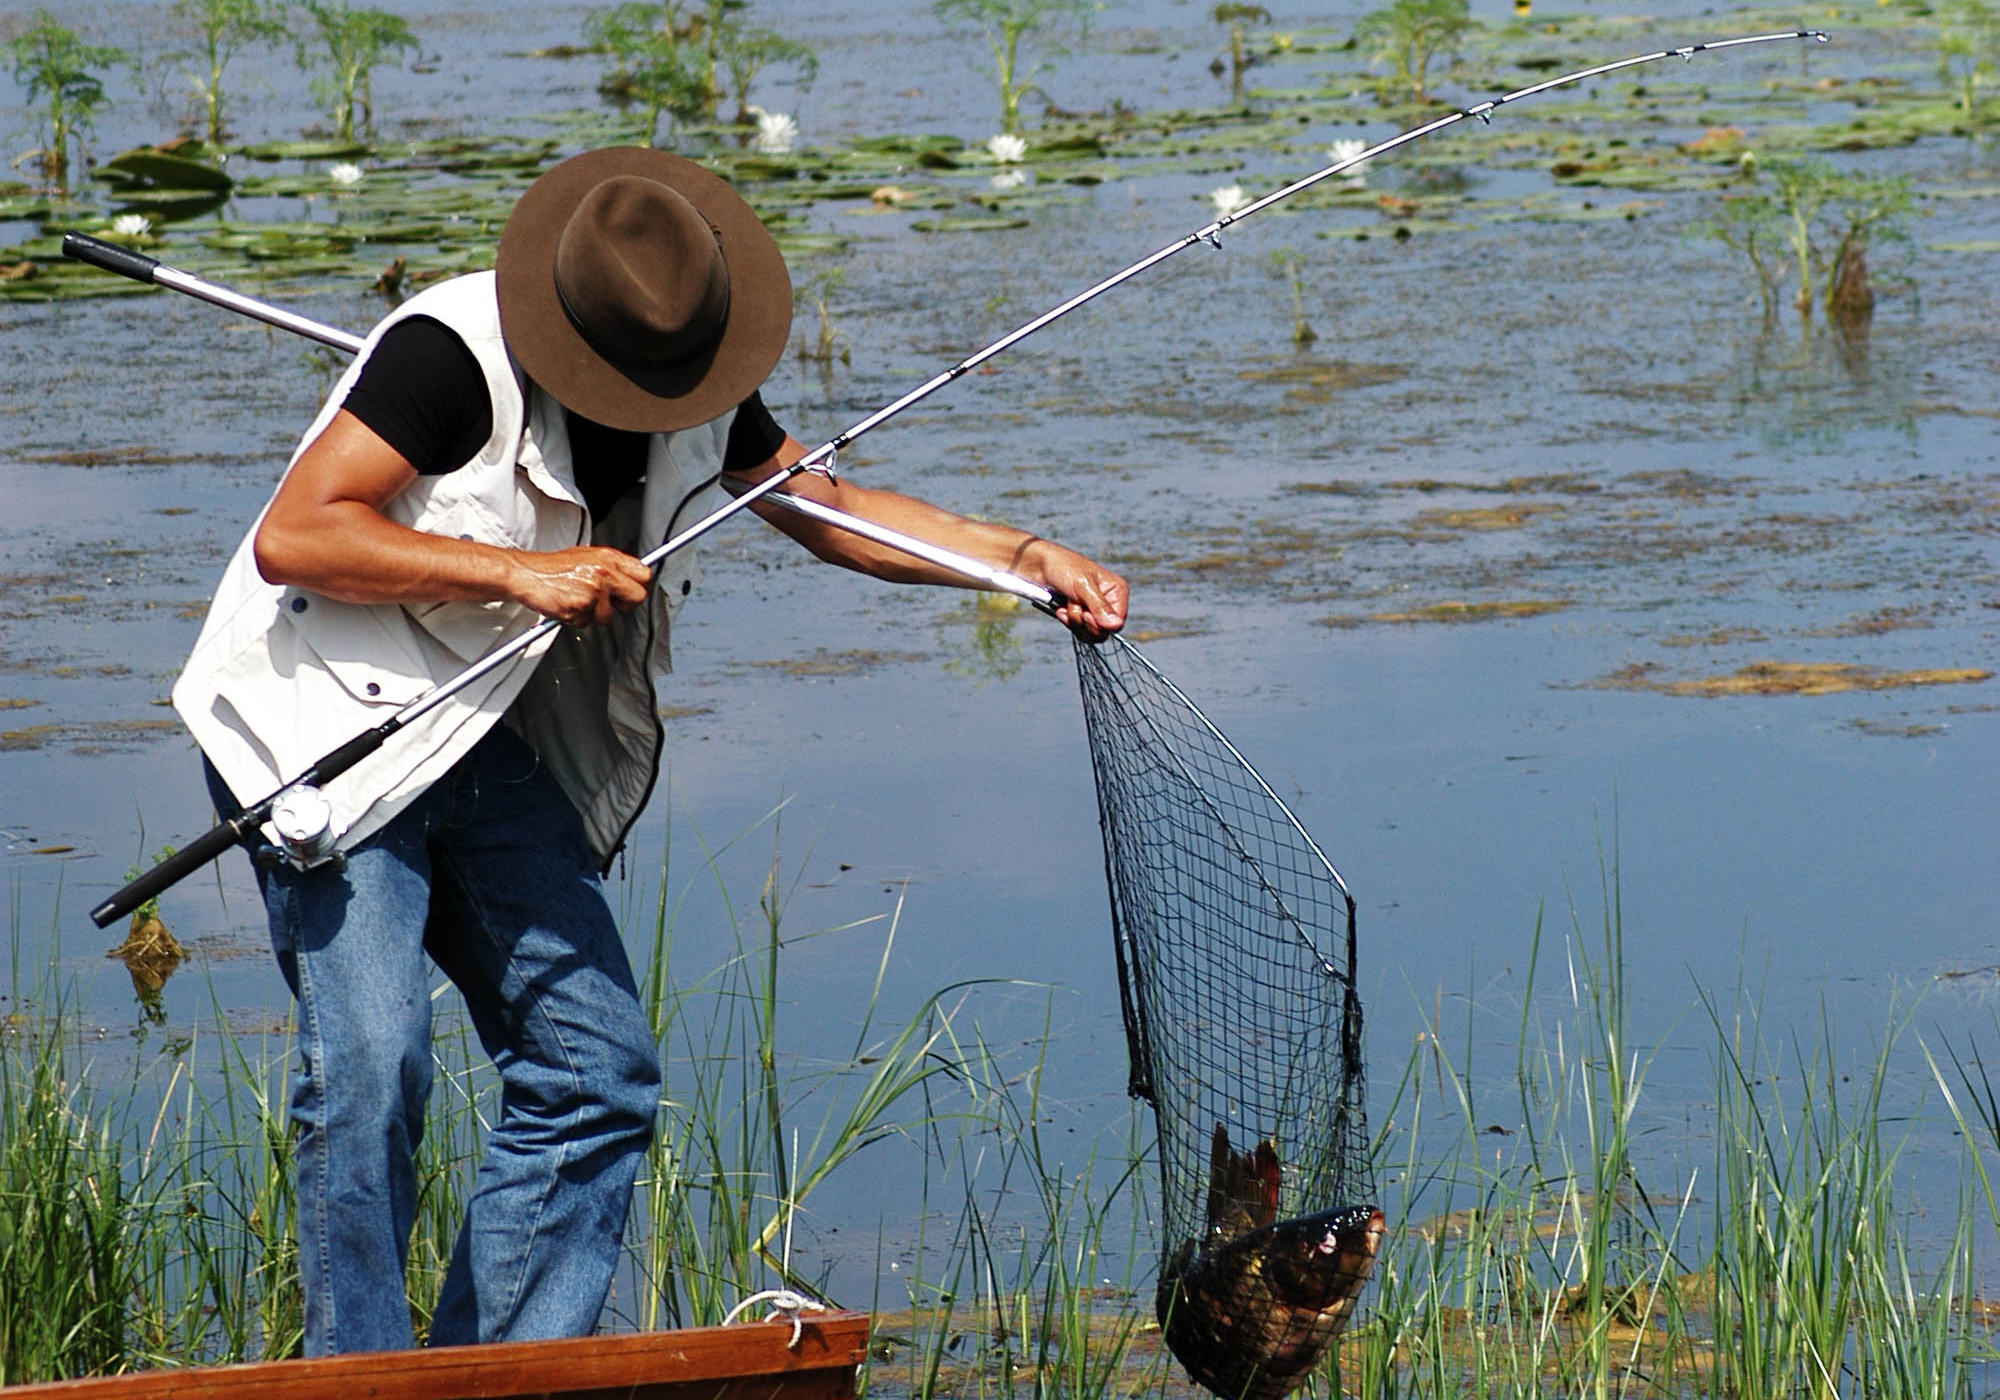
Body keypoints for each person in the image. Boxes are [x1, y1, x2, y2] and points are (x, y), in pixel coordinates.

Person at [172, 146, 1127, 1356]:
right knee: (373, 1062)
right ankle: (356, 1376)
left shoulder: (692, 371)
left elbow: (827, 508)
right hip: (321, 722)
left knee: (596, 1073)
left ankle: (506, 1375)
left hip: (471, 728)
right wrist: (522, 571)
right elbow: (298, 535)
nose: (678, 395)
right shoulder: (447, 354)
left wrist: (1019, 557)